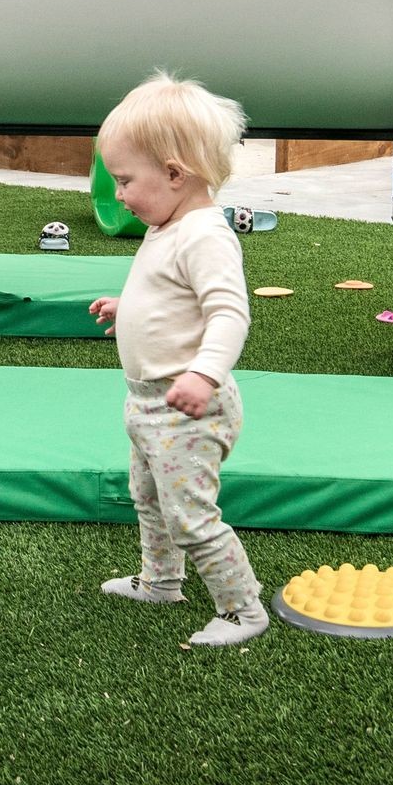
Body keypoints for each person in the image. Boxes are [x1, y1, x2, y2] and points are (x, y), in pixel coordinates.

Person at [88, 72, 266, 648]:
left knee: (190, 515)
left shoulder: (204, 235)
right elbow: (170, 293)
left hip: (188, 407)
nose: (119, 194)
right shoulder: (167, 225)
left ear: (173, 173)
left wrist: (203, 374)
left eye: (124, 180)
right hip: (148, 403)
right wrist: (129, 308)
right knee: (149, 500)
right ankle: (161, 582)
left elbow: (229, 314)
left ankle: (243, 610)